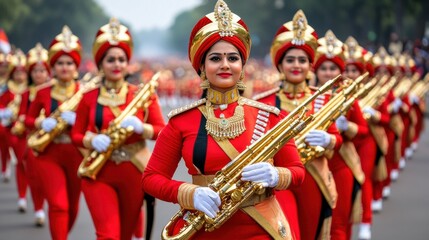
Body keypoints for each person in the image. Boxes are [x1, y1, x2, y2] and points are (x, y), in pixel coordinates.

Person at [142, 1, 305, 239]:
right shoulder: (182, 121)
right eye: (215, 58)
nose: (225, 65)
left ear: (242, 64)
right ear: (202, 66)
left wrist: (275, 175)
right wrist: (190, 193)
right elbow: (151, 179)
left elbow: (297, 172)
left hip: (261, 226)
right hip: (205, 226)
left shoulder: (268, 115)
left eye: (233, 58)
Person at [71, 18, 165, 240]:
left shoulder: (142, 95)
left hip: (134, 171)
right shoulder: (88, 96)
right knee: (107, 235)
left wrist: (142, 128)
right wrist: (91, 140)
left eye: (121, 59)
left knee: (124, 234)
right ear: (100, 63)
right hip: (98, 172)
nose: (116, 64)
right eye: (110, 59)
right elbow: (76, 134)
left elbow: (163, 131)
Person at [257, 11, 342, 240]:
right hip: (277, 182)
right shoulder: (264, 103)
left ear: (310, 65)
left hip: (313, 179)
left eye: (302, 60)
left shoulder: (323, 99)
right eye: (290, 60)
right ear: (279, 64)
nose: (296, 65)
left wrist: (328, 140)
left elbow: (336, 138)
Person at [25, 26, 83, 240]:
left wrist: (78, 121)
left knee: (73, 206)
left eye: (69, 63)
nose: (65, 67)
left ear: (76, 66)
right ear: (53, 67)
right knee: (59, 205)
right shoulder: (42, 92)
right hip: (48, 153)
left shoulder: (85, 93)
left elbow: (97, 124)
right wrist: (42, 122)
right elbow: (28, 119)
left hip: (78, 153)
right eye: (60, 63)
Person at [313, 30, 368, 239]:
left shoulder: (348, 99)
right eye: (324, 68)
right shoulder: (305, 99)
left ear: (340, 70)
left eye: (333, 68)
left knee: (338, 223)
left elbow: (363, 131)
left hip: (341, 164)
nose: (328, 73)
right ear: (316, 71)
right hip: (312, 167)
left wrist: (347, 128)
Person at [343, 37, 378, 240]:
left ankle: (366, 221)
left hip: (365, 141)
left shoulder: (372, 91)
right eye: (346, 70)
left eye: (354, 71)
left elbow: (383, 118)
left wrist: (375, 114)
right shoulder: (337, 92)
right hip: (342, 144)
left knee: (364, 179)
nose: (349, 75)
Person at [13, 43, 51, 226]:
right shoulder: (26, 94)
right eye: (35, 71)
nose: (39, 74)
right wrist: (35, 122)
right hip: (31, 139)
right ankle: (37, 209)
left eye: (42, 70)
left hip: (53, 141)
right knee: (33, 175)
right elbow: (23, 117)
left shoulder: (55, 91)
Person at [0, 49, 31, 213]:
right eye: (17, 72)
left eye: (23, 72)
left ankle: (38, 205)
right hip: (11, 130)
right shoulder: (7, 89)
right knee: (20, 161)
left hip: (31, 132)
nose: (20, 76)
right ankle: (22, 196)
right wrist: (6, 113)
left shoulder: (33, 90)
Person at [0, 51, 11, 182]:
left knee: (5, 144)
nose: (2, 68)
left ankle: (5, 168)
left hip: (6, 118)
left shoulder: (10, 82)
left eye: (5, 66)